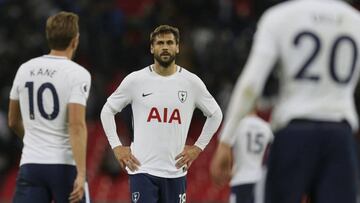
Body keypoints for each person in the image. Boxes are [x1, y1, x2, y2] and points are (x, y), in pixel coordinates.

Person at [210, 0, 360, 203]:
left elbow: (251, 85)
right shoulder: (354, 20)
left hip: (293, 134)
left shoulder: (280, 17)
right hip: (339, 137)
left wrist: (226, 139)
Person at [100, 24, 223, 203]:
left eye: (169, 42)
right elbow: (107, 110)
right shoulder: (136, 80)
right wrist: (117, 147)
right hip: (143, 170)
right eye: (160, 43)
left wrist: (198, 148)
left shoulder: (191, 82)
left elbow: (216, 114)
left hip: (175, 172)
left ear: (177, 47)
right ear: (152, 48)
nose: (165, 47)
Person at [8, 11, 91, 203]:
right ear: (75, 40)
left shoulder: (25, 69)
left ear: (49, 37)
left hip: (31, 165)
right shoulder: (78, 74)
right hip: (64, 166)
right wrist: (81, 173)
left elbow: (13, 121)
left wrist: (34, 139)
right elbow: (76, 125)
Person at [217, 112, 273, 203]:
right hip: (260, 179)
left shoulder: (235, 125)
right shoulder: (266, 126)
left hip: (240, 178)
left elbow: (225, 150)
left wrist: (227, 170)